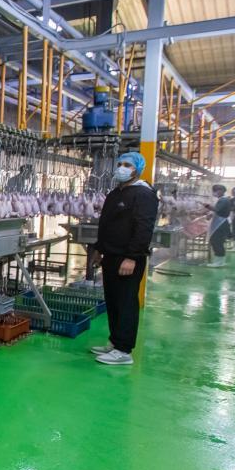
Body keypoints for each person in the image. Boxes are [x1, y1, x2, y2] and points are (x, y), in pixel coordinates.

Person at [92, 151, 159, 366]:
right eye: (120, 163)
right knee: (113, 300)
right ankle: (115, 342)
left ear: (137, 170)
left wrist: (132, 257)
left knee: (126, 302)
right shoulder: (116, 192)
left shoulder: (144, 194)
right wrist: (99, 249)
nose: (121, 168)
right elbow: (106, 224)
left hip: (128, 258)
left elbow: (144, 228)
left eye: (127, 165)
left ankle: (123, 350)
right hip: (111, 255)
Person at [205, 184, 233, 267]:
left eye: (215, 191)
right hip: (221, 223)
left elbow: (217, 209)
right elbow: (218, 211)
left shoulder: (223, 200)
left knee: (217, 241)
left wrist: (207, 206)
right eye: (214, 191)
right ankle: (220, 261)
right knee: (218, 241)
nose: (214, 193)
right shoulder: (222, 200)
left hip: (220, 224)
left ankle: (218, 262)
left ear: (221, 191)